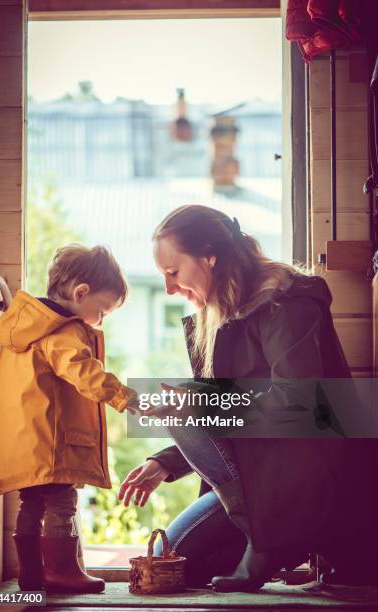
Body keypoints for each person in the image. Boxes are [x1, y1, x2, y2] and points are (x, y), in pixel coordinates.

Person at [119, 204, 378, 592]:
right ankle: (276, 539)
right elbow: (224, 420)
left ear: (210, 256)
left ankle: (274, 540)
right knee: (180, 559)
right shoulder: (217, 314)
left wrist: (197, 403)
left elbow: (300, 403)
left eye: (173, 273)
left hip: (304, 473)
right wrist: (166, 462)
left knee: (188, 399)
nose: (170, 288)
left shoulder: (287, 300)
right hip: (255, 477)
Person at [0, 244, 139, 594]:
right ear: (80, 292)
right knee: (62, 503)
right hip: (51, 441)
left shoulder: (24, 329)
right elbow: (82, 371)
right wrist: (123, 396)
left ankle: (31, 573)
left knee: (31, 502)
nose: (100, 321)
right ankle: (61, 571)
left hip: (25, 441)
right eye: (102, 311)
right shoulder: (62, 330)